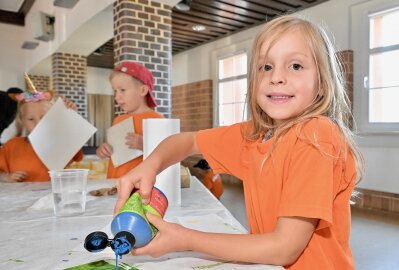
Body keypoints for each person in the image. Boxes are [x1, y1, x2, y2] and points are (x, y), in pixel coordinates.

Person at [115, 15, 364, 269]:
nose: (276, 77)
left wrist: (185, 239)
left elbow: (284, 249)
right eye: (266, 67)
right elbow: (186, 141)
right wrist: (150, 165)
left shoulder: (316, 135)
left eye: (296, 66)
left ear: (323, 83)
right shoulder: (256, 135)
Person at [0, 74, 83, 182]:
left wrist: (69, 117)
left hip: (53, 197)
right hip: (22, 198)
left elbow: (75, 148)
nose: (38, 123)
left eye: (43, 117)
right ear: (22, 121)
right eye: (30, 119)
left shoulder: (60, 143)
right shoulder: (11, 146)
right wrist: (7, 177)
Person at [96, 61, 164, 179]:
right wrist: (104, 149)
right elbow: (114, 151)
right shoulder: (117, 120)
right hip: (114, 183)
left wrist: (145, 145)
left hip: (140, 189)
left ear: (143, 91)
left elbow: (166, 155)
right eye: (115, 91)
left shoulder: (157, 119)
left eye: (122, 90)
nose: (117, 97)